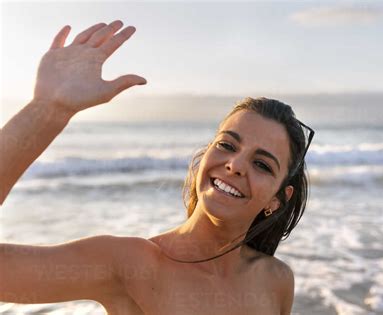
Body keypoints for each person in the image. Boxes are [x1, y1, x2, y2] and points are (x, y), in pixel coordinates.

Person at [0, 21, 312, 314]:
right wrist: (48, 108)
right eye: (227, 145)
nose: (235, 165)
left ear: (278, 199)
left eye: (261, 164)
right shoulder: (128, 264)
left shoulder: (275, 281)